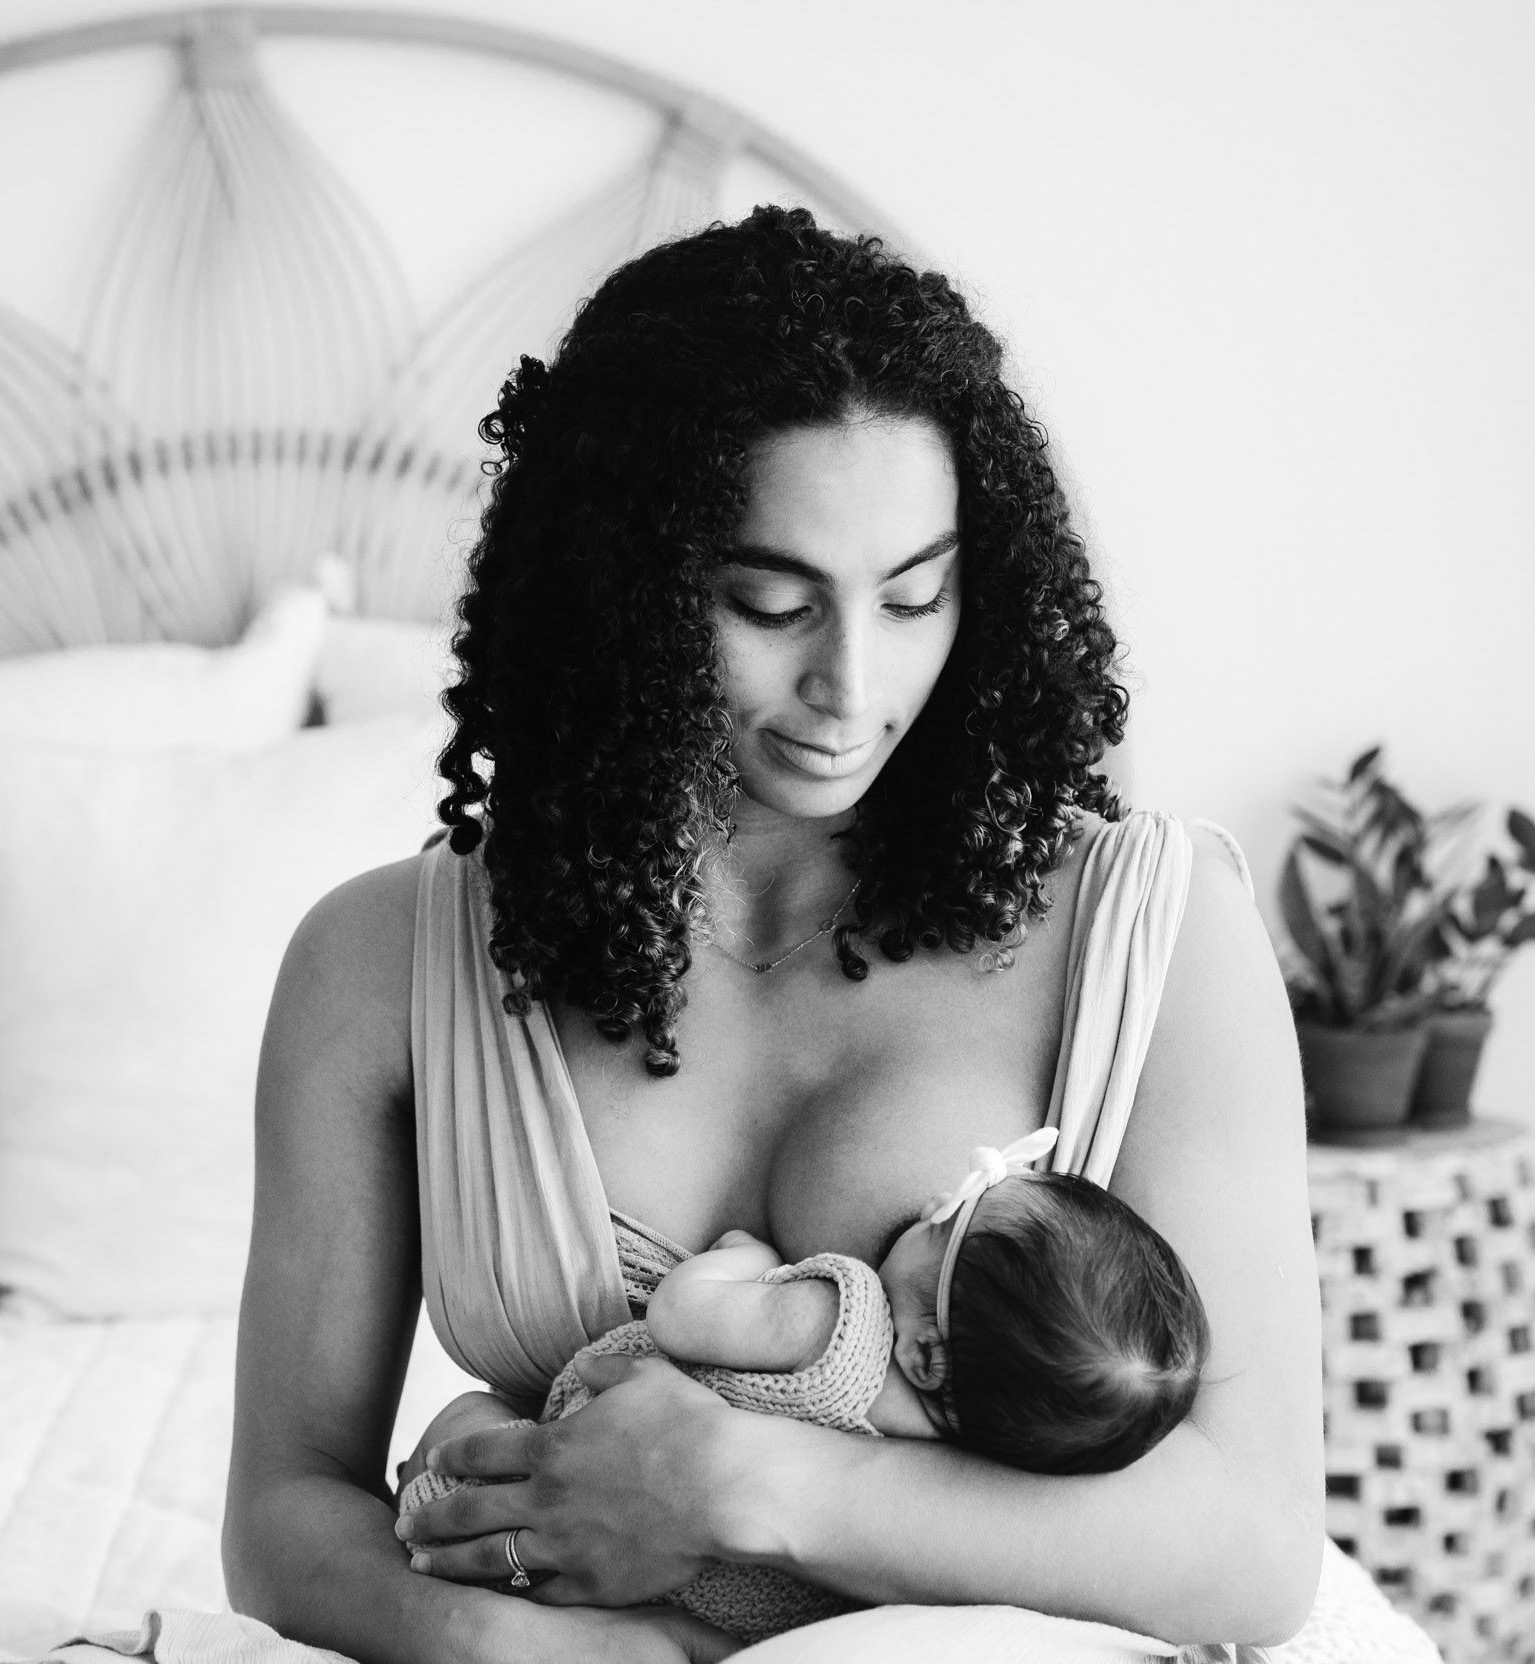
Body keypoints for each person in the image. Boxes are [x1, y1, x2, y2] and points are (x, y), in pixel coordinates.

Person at [225, 205, 1332, 1663]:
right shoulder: (378, 969)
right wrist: (531, 1651)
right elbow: (285, 1517)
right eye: (769, 599)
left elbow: (1254, 1551)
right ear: (621, 586)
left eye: (916, 594)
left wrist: (755, 1482)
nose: (852, 683)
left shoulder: (1153, 932)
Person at [390, 1125, 1214, 1644]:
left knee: (471, 1422)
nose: (929, 1210)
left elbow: (683, 1316)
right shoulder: (956, 1470)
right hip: (737, 1611)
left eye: (948, 1221)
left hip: (567, 1455)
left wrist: (748, 1258)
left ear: (926, 1352)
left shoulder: (844, 1326)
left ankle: (426, 1496)